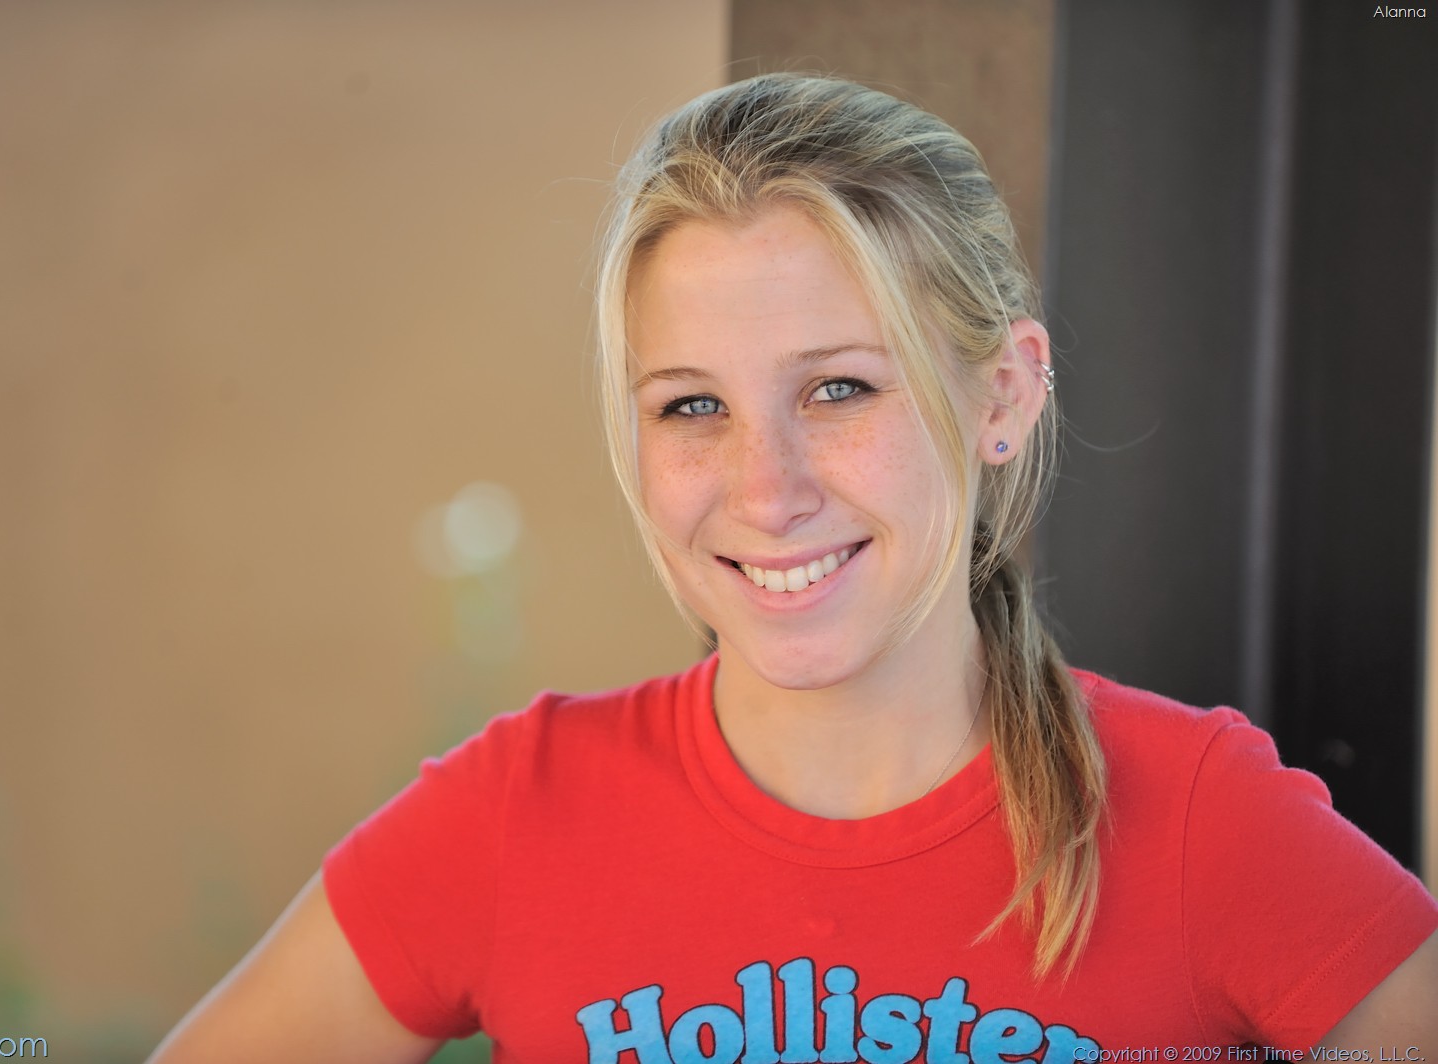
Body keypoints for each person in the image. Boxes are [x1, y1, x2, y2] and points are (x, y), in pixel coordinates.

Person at [149, 74, 1437, 1063]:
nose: (767, 489)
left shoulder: (1200, 822)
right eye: (692, 406)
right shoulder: (515, 816)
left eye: (837, 389)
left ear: (1003, 393)